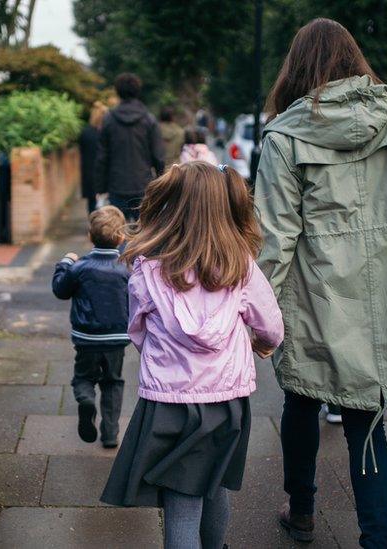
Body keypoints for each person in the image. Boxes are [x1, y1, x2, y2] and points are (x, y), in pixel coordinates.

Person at [253, 18, 387, 548]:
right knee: (367, 420)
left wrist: (255, 319)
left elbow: (273, 238)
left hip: (314, 297)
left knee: (301, 399)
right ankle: (377, 538)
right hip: (384, 292)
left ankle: (303, 510)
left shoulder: (285, 135)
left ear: (297, 67)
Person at [101, 162, 284, 549]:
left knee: (181, 502)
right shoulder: (241, 267)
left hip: (166, 404)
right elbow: (272, 327)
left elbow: (136, 330)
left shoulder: (148, 269)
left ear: (173, 206)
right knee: (215, 486)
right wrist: (261, 343)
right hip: (226, 403)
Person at [51, 206, 130, 448]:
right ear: (122, 237)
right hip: (116, 338)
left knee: (83, 378)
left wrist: (65, 262)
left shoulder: (80, 267)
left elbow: (60, 290)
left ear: (89, 236)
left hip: (86, 338)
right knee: (112, 382)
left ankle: (86, 400)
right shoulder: (127, 269)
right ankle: (110, 434)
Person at [96, 73, 165, 222]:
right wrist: (161, 184)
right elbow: (158, 156)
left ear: (118, 91)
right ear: (137, 91)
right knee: (145, 233)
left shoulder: (108, 119)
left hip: (116, 185)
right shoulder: (148, 119)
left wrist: (101, 188)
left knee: (116, 232)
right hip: (143, 185)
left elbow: (102, 157)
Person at [80, 102, 109, 213]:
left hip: (90, 175)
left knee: (93, 209)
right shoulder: (108, 133)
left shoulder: (85, 133)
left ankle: (94, 229)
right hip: (106, 176)